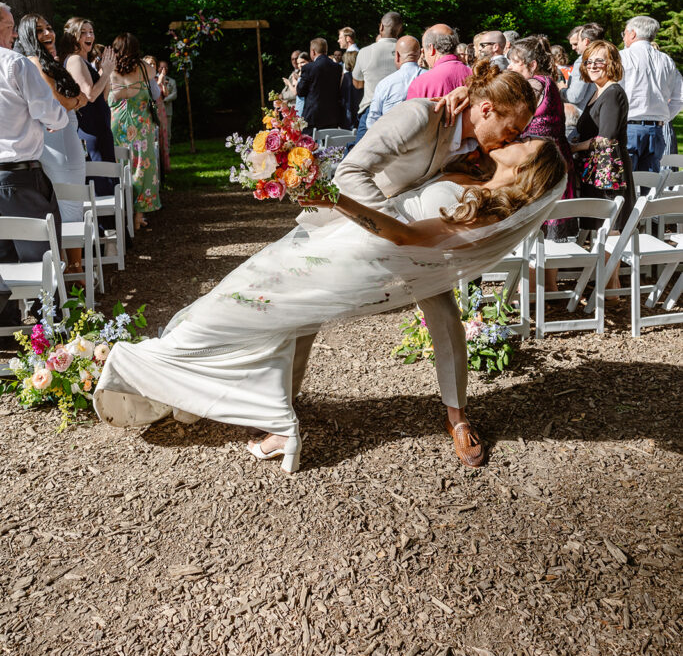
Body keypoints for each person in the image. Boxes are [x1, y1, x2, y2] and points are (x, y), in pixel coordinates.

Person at [94, 128, 565, 472]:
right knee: (251, 309)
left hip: (353, 259)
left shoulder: (483, 211)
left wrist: (336, 199)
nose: (520, 136)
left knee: (239, 307)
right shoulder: (471, 172)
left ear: (526, 169)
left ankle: (143, 367)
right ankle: (256, 411)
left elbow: (403, 235)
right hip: (337, 245)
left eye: (526, 143)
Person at [295, 62, 540, 466]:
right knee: (303, 311)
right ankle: (284, 405)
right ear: (485, 110)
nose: (512, 139)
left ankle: (457, 418)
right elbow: (351, 172)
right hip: (346, 226)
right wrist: (395, 231)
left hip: (411, 243)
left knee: (444, 313)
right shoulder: (420, 115)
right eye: (511, 129)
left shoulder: (477, 146)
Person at [14, 15, 87, 279]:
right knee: (70, 204)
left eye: (49, 28)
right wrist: (77, 100)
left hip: (63, 135)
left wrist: (75, 100)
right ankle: (75, 276)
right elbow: (59, 103)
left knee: (69, 203)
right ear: (27, 36)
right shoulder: (34, 62)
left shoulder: (45, 61)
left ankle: (72, 273)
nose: (48, 33)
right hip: (59, 142)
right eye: (39, 30)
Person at [0, 4, 68, 281]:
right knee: (44, 261)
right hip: (20, 178)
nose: (15, 34)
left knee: (2, 267)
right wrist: (56, 120)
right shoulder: (15, 63)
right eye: (9, 27)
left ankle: (9, 320)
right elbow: (49, 112)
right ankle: (47, 321)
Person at [507, 36, 577, 289]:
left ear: (532, 64)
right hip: (554, 158)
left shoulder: (534, 85)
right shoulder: (549, 83)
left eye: (515, 63)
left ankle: (531, 289)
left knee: (535, 223)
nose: (510, 68)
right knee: (549, 220)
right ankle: (550, 286)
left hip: (541, 162)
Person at [572, 41, 636, 290]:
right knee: (601, 227)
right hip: (594, 169)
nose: (593, 66)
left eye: (599, 60)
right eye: (589, 61)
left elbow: (607, 138)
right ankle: (607, 285)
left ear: (612, 63)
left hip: (608, 172)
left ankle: (610, 288)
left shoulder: (613, 93)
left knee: (610, 228)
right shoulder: (596, 92)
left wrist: (575, 148)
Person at [108, 33, 161, 230]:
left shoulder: (110, 70)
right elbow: (154, 88)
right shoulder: (145, 68)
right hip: (141, 127)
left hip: (118, 125)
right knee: (142, 167)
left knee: (120, 166)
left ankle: (122, 212)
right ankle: (138, 215)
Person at [60, 17, 117, 199]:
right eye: (83, 32)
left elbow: (103, 96)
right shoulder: (75, 60)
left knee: (109, 178)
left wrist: (105, 72)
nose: (89, 35)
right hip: (91, 129)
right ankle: (103, 226)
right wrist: (106, 72)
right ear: (73, 36)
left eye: (91, 31)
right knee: (101, 181)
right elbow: (89, 95)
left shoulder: (85, 61)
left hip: (101, 126)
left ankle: (112, 224)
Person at [619, 16, 683, 173]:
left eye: (624, 33)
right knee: (650, 185)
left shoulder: (622, 57)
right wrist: (664, 117)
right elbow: (680, 96)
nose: (624, 37)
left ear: (632, 33)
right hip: (655, 130)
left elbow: (613, 93)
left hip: (628, 127)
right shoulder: (666, 60)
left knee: (625, 185)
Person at [351, 12, 403, 146]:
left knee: (360, 155)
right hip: (400, 112)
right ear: (400, 30)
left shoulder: (365, 52)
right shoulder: (405, 52)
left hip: (371, 109)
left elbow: (357, 84)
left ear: (381, 27)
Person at [365, 36, 422, 128]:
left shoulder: (385, 84)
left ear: (397, 56)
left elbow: (372, 120)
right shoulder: (432, 78)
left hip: (390, 138)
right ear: (420, 54)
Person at [406, 24, 471, 100]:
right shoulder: (476, 76)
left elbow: (411, 111)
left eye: (424, 50)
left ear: (431, 48)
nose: (423, 55)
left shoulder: (419, 84)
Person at [296, 38, 342, 131]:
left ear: (313, 51)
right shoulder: (337, 67)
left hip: (313, 115)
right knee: (330, 145)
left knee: (308, 144)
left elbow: (300, 91)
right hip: (332, 115)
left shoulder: (308, 68)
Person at [561, 23, 604, 113]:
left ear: (586, 41)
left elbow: (575, 96)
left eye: (577, 42)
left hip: (583, 116)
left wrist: (562, 89)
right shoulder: (609, 58)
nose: (573, 48)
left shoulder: (583, 61)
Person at [143, 55, 170, 174]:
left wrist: (162, 82)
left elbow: (165, 94)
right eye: (149, 64)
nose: (152, 66)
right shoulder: (144, 78)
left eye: (153, 64)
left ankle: (164, 167)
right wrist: (159, 81)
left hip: (160, 109)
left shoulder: (158, 77)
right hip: (150, 110)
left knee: (163, 136)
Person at [157, 60, 178, 144]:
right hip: (156, 110)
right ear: (158, 68)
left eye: (165, 67)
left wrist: (164, 100)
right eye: (161, 67)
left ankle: (167, 151)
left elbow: (174, 94)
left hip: (167, 110)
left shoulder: (172, 81)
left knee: (167, 132)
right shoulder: (153, 79)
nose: (163, 69)